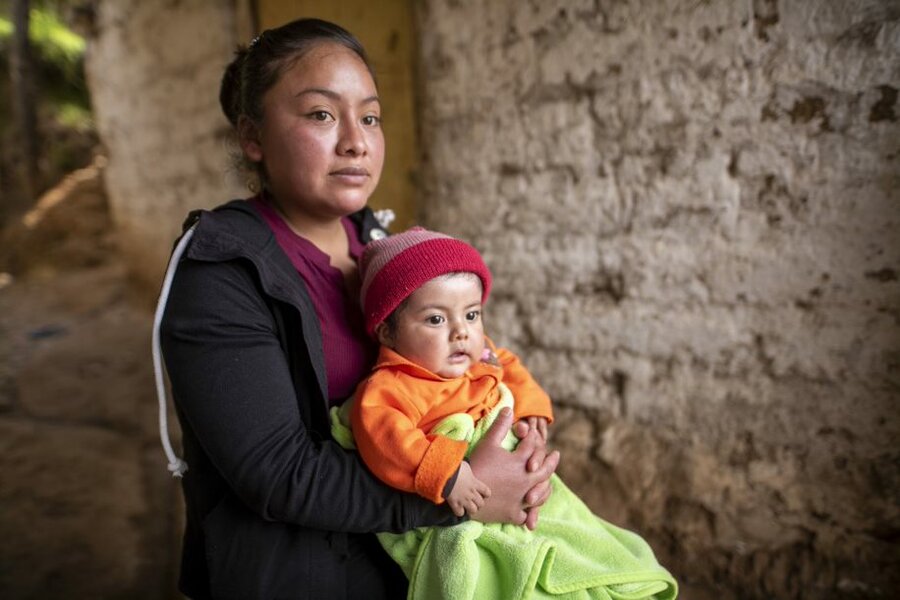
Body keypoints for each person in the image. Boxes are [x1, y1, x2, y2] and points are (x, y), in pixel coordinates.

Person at [156, 17, 558, 600]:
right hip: (298, 578)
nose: (357, 140)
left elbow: (456, 360)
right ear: (252, 136)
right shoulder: (221, 271)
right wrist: (462, 494)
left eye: (369, 116)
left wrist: (515, 431)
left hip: (403, 566)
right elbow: (278, 473)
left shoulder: (381, 247)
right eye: (322, 114)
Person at [330, 227, 678, 599]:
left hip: (520, 486)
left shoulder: (478, 355)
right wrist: (448, 473)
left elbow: (508, 365)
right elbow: (387, 438)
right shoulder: (390, 388)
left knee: (582, 536)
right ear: (386, 332)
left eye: (472, 314)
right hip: (463, 494)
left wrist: (529, 410)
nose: (460, 333)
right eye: (436, 320)